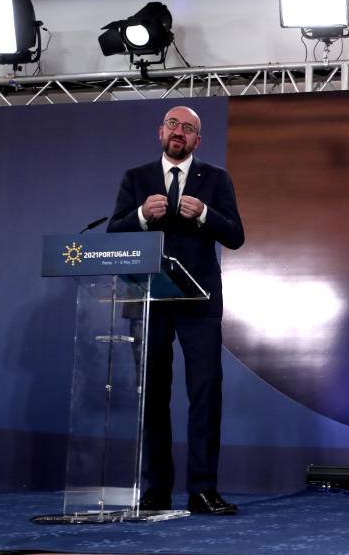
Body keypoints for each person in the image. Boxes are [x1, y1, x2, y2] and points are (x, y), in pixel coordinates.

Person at [108, 105, 245, 515]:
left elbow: (236, 235)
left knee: (205, 393)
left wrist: (204, 214)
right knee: (152, 397)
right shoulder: (136, 178)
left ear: (197, 140)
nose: (179, 132)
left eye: (188, 128)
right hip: (147, 298)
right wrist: (139, 216)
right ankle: (156, 491)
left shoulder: (216, 178)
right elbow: (114, 231)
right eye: (173, 125)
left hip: (198, 302)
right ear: (161, 132)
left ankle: (203, 490)